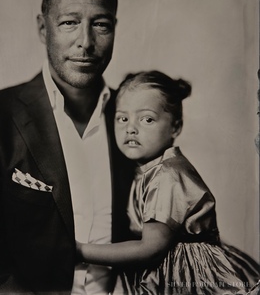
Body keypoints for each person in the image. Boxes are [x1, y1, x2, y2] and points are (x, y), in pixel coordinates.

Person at [0, 0, 134, 294]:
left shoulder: (134, 121)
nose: (86, 42)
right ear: (43, 29)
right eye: (69, 22)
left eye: (101, 24)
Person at [77, 70, 258, 295]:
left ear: (175, 127)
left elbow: (150, 249)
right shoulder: (145, 170)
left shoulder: (167, 174)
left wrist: (81, 251)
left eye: (147, 119)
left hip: (185, 276)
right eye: (122, 118)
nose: (131, 128)